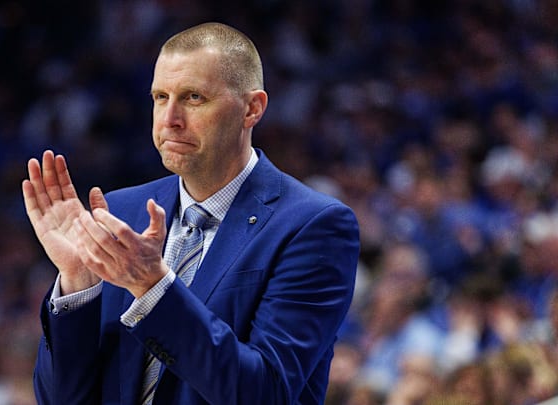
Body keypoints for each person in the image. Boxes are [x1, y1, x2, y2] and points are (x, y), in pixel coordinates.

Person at [22, 22, 360, 405]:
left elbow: (266, 393)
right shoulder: (120, 212)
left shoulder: (313, 225)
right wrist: (78, 286)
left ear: (252, 108)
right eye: (160, 97)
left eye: (194, 97)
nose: (170, 119)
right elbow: (61, 399)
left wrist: (154, 290)